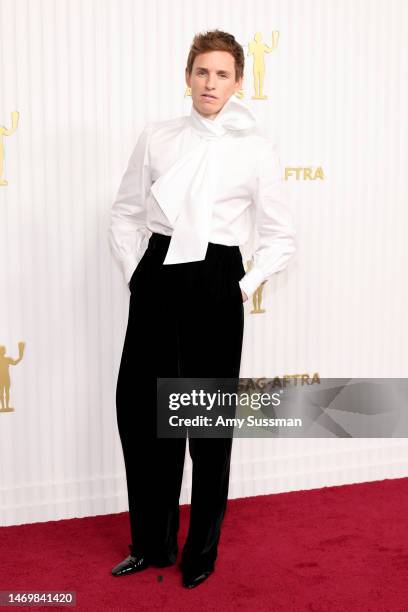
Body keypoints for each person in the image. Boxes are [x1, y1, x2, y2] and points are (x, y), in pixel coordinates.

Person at [108, 29, 296, 589]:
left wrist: (243, 284)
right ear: (187, 75)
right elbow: (124, 211)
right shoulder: (157, 136)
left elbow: (280, 235)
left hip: (218, 279)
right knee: (144, 419)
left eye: (222, 74)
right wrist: (135, 274)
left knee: (206, 427)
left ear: (239, 82)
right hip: (159, 274)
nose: (210, 83)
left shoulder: (257, 147)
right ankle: (151, 545)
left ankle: (201, 552)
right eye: (201, 71)